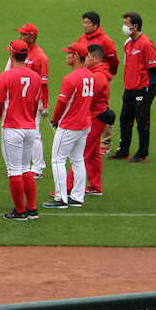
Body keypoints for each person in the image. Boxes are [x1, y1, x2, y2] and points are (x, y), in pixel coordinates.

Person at [0, 39, 43, 221]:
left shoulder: (6, 76)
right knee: (26, 168)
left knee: (14, 170)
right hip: (30, 128)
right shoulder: (35, 77)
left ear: (11, 54)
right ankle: (32, 209)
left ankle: (20, 211)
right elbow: (36, 105)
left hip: (13, 128)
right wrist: (30, 121)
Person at [42, 44, 93, 210]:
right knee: (78, 159)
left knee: (58, 160)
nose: (66, 56)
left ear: (76, 56)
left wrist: (55, 119)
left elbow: (62, 102)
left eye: (69, 53)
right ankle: (77, 197)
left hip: (70, 125)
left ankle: (60, 199)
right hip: (84, 124)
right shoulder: (90, 75)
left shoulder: (71, 78)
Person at [112, 11, 156, 162]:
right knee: (125, 119)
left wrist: (152, 85)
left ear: (135, 26)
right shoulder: (128, 43)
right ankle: (123, 151)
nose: (124, 27)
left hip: (143, 88)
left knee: (142, 121)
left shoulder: (145, 43)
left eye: (126, 24)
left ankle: (142, 153)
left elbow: (155, 66)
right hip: (129, 88)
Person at [67, 44, 111, 196]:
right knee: (93, 153)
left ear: (96, 58)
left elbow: (88, 100)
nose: (85, 59)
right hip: (99, 117)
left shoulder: (97, 76)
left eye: (88, 56)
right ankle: (95, 186)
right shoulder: (99, 74)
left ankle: (68, 187)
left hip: (94, 118)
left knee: (81, 153)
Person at [74, 11, 120, 153]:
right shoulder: (82, 39)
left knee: (102, 108)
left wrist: (107, 75)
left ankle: (105, 143)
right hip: (85, 77)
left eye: (87, 23)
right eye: (84, 22)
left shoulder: (105, 40)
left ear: (95, 25)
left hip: (100, 78)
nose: (84, 25)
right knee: (85, 106)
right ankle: (86, 137)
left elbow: (113, 60)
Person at [15, 23, 49, 177]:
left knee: (34, 134)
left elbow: (44, 84)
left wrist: (44, 105)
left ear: (32, 37)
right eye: (20, 34)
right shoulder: (21, 52)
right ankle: (23, 166)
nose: (20, 36)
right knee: (21, 132)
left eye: (24, 34)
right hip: (20, 99)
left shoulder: (41, 57)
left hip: (34, 101)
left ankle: (38, 167)